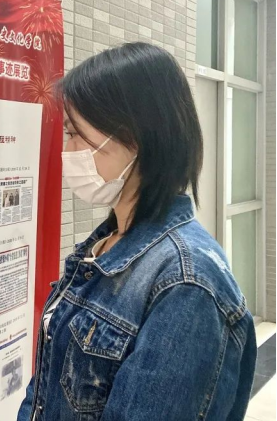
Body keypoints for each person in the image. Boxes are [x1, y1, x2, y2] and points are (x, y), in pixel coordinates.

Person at [18, 43, 257, 421]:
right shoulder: (107, 244)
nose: (68, 149)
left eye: (74, 133)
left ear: (136, 139)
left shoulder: (186, 284)